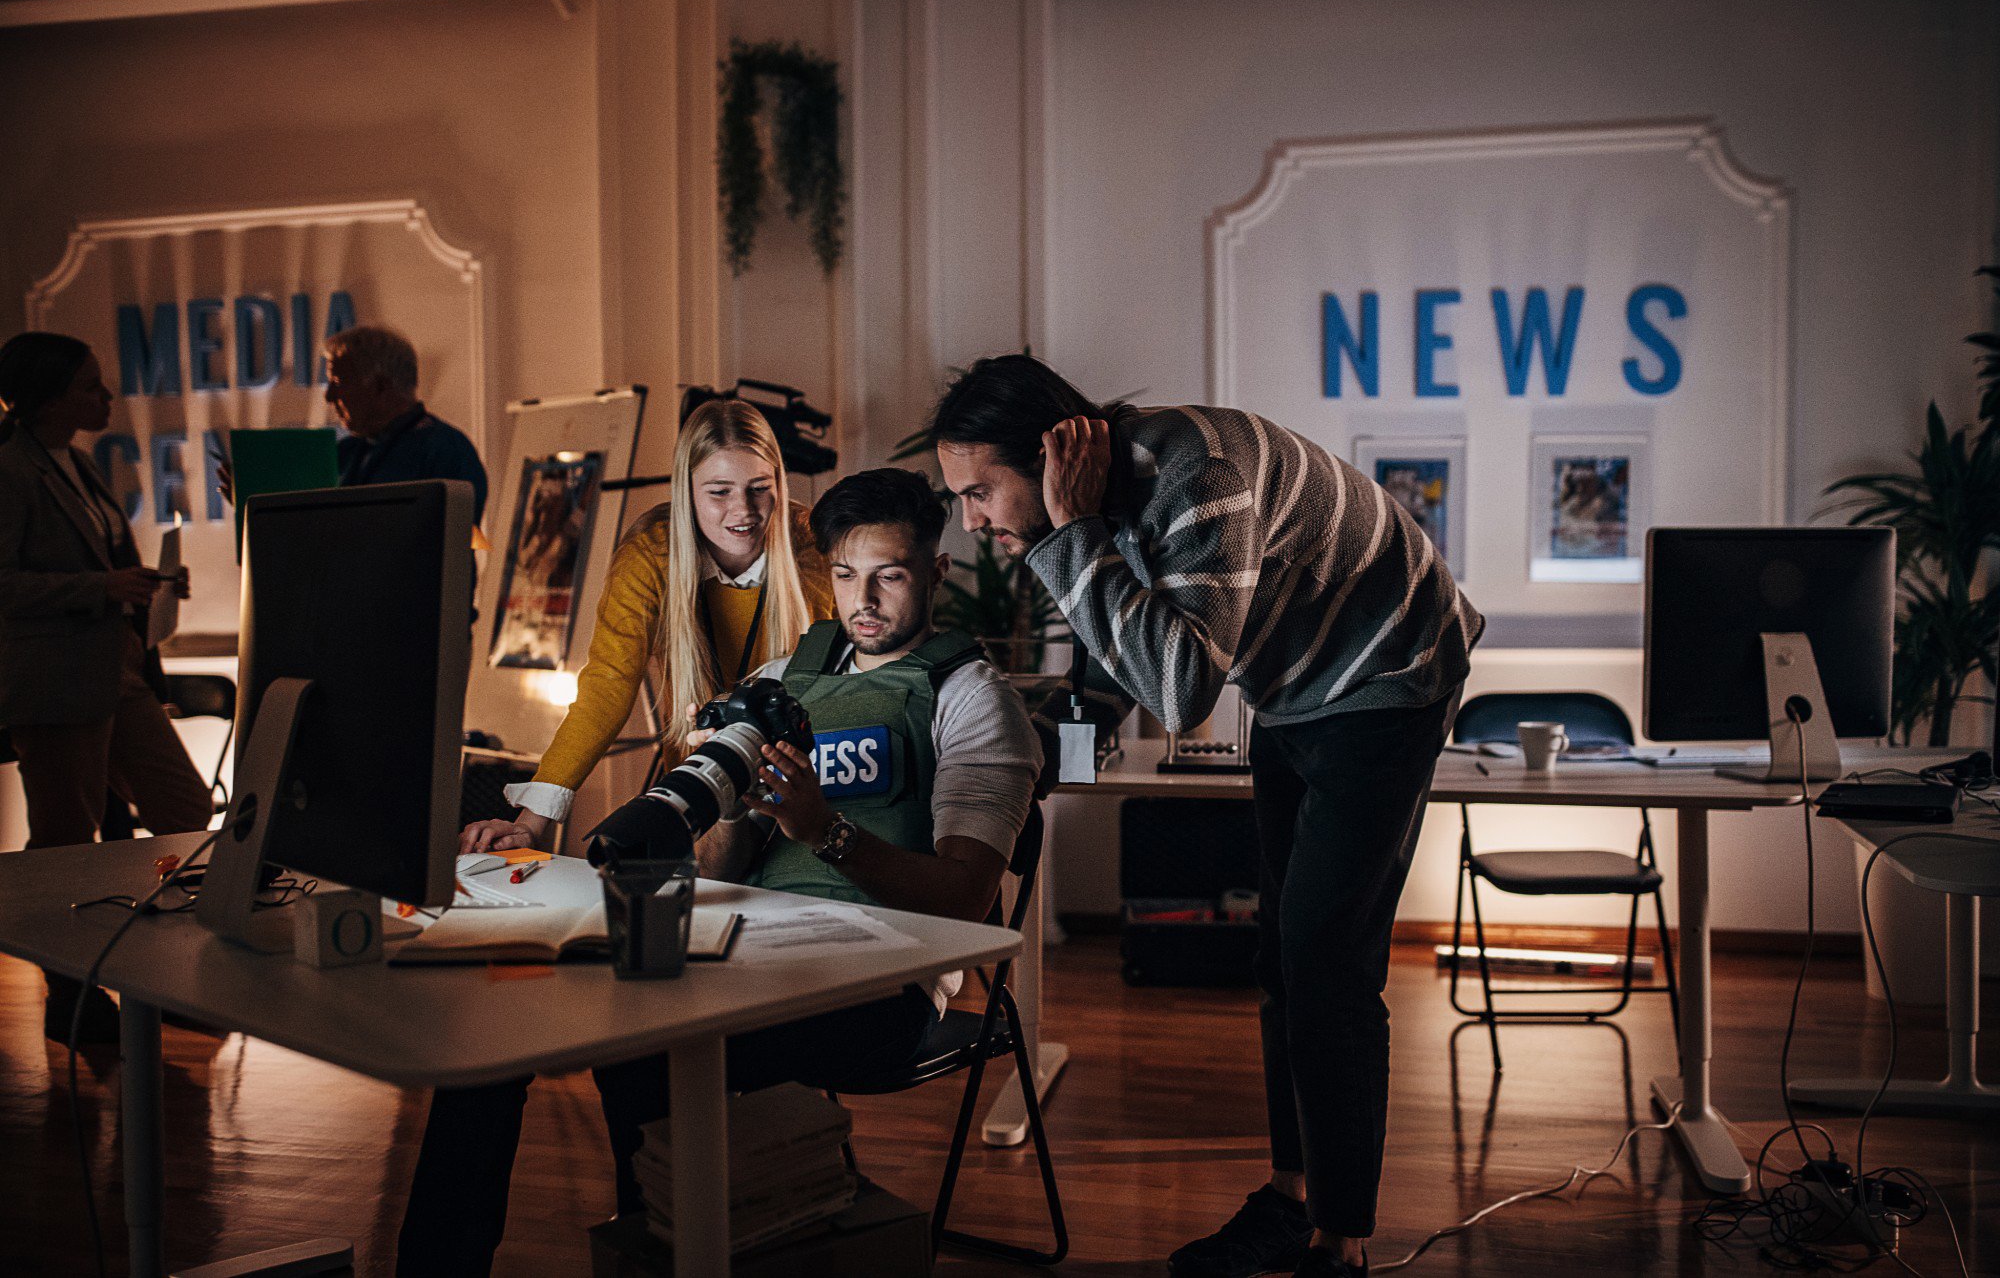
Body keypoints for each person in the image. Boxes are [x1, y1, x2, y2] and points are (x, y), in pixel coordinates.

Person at [397, 467, 1042, 1277]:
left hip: (881, 990)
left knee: (638, 1044)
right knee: (497, 1031)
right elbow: (712, 865)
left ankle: (672, 1243)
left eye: (890, 575)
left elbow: (967, 899)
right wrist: (736, 809)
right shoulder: (779, 681)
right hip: (746, 951)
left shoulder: (973, 698)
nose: (862, 599)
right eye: (844, 575)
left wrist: (823, 829)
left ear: (937, 572)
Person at [933, 354, 1483, 1278]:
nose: (972, 520)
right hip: (1299, 689)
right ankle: (1291, 1198)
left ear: (1054, 458)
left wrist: (1068, 535)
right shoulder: (1100, 504)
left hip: (1390, 673)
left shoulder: (1197, 479)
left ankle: (1339, 1243)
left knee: (1325, 960)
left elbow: (1182, 690)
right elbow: (1121, 647)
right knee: (1280, 951)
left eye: (980, 491)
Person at [461, 400, 833, 855]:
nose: (745, 511)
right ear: (687, 489)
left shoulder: (814, 542)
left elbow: (836, 674)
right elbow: (607, 686)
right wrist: (532, 822)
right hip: (706, 786)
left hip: (807, 783)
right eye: (719, 491)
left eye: (760, 487)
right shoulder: (650, 552)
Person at [0, 332, 213, 1046]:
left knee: (185, 810)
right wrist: (101, 586)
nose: (108, 396)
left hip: (113, 671)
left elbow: (98, 565)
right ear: (53, 395)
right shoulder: (11, 469)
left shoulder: (78, 465)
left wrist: (141, 586)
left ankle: (175, 978)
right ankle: (71, 992)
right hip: (55, 685)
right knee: (64, 840)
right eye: (93, 386)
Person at [323, 325, 489, 522]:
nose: (329, 396)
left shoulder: (445, 450)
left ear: (381, 387)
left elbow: (450, 543)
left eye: (338, 382)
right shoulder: (346, 452)